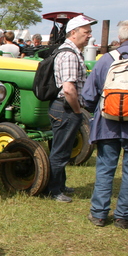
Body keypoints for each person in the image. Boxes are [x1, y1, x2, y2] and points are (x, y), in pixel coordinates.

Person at [81, 20, 128, 228]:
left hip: (107, 124)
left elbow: (88, 96)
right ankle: (124, 215)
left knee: (104, 168)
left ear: (120, 38)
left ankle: (99, 214)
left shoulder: (105, 60)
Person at [48, 14, 97, 202]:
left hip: (64, 108)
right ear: (73, 33)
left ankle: (59, 185)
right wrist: (78, 111)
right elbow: (68, 89)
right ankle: (53, 190)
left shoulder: (71, 52)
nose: (89, 36)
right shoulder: (68, 55)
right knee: (60, 151)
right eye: (86, 32)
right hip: (66, 108)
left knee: (63, 149)